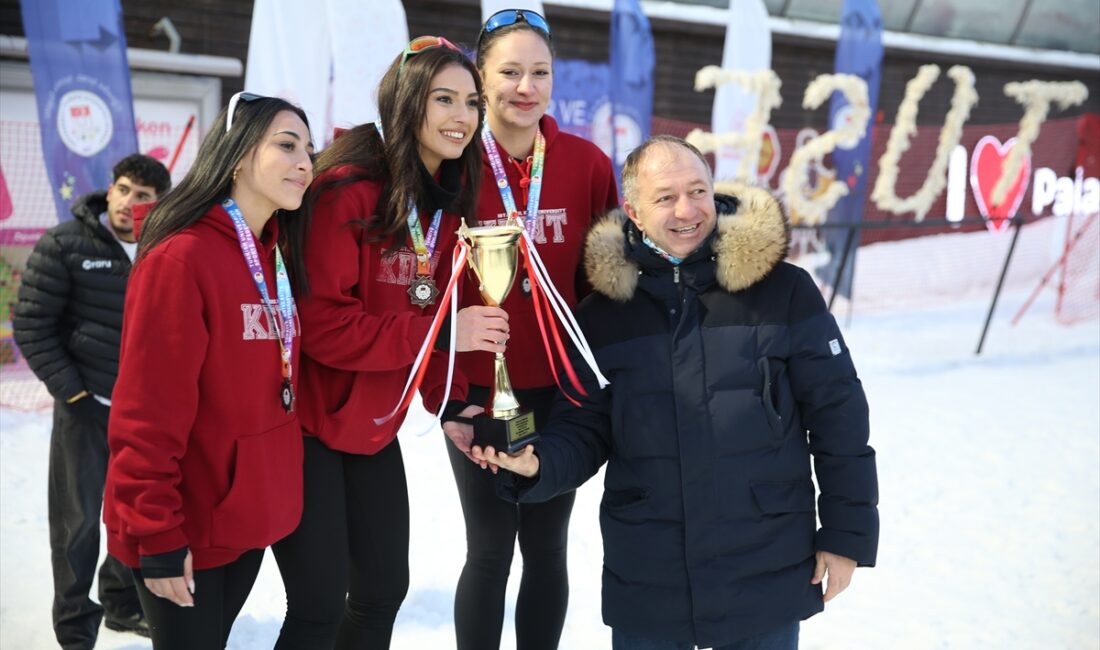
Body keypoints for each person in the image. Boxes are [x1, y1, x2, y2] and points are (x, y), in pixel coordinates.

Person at [477, 136, 879, 650]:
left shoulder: (786, 291)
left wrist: (845, 534)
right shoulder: (602, 315)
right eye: (665, 198)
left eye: (697, 191)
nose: (687, 211)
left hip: (764, 561)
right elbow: (584, 426)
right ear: (634, 211)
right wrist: (538, 465)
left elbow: (838, 415)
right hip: (651, 570)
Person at [270, 37, 507, 649]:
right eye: (444, 99)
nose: (462, 116)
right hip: (306, 428)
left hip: (372, 427)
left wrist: (451, 402)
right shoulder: (345, 190)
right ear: (406, 103)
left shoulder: (443, 200)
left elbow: (424, 308)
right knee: (319, 605)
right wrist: (444, 331)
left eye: (472, 103)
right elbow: (324, 327)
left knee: (381, 592)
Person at [102, 93, 314, 649]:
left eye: (309, 150)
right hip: (182, 526)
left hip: (240, 520)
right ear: (238, 155)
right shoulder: (181, 257)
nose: (305, 163)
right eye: (287, 145)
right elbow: (146, 412)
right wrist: (157, 532)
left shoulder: (274, 254)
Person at [444, 10, 619, 650]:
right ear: (480, 78)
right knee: (489, 548)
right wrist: (451, 392)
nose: (527, 86)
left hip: (561, 390)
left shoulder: (586, 163)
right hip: (478, 391)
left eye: (540, 72)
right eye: (510, 72)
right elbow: (426, 288)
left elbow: (606, 281)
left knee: (548, 546)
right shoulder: (452, 164)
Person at [13, 153, 170, 647]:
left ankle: (121, 604)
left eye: (142, 196)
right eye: (122, 189)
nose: (127, 202)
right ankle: (75, 631)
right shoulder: (66, 243)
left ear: (158, 204)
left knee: (131, 515)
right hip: (85, 408)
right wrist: (74, 393)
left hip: (143, 417)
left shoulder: (165, 248)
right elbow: (31, 325)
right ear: (110, 189)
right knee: (77, 524)